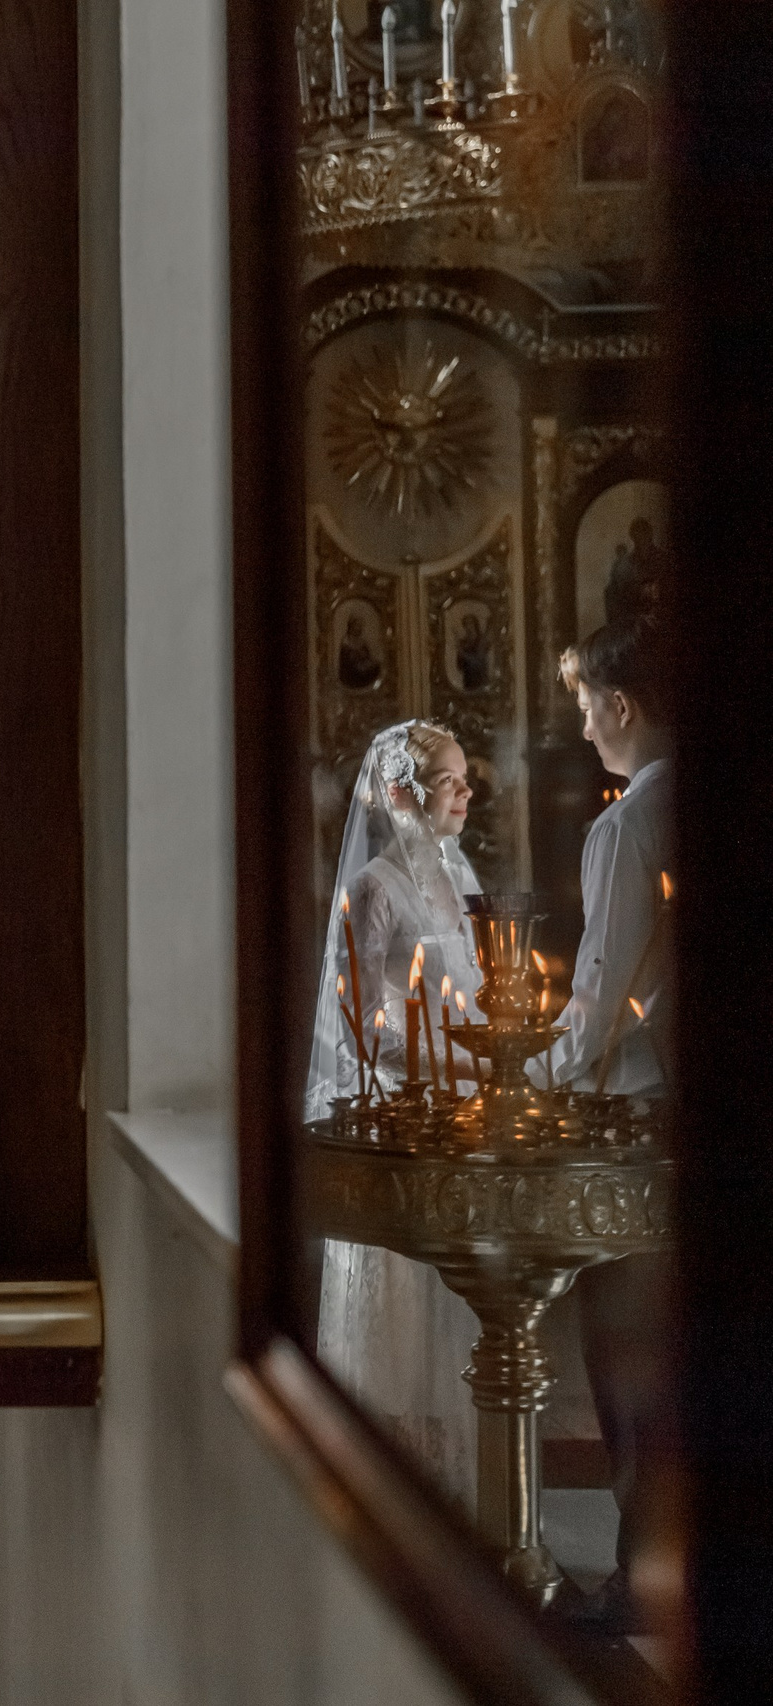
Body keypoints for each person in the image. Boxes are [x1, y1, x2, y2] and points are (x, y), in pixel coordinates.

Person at [307, 719, 486, 1504]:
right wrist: (459, 1058)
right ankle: (395, 1488)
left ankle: (460, 1487)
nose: (466, 792)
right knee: (402, 1315)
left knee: (458, 1308)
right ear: (400, 794)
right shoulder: (374, 886)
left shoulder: (460, 872)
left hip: (465, 1114)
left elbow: (478, 990)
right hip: (405, 1117)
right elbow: (358, 1020)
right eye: (449, 781)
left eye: (464, 778)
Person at [544, 585, 673, 1633]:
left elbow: (601, 996)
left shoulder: (631, 823)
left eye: (588, 701)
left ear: (623, 705)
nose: (581, 720)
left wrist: (532, 1072)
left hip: (632, 1120)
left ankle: (640, 1575)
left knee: (626, 1356)